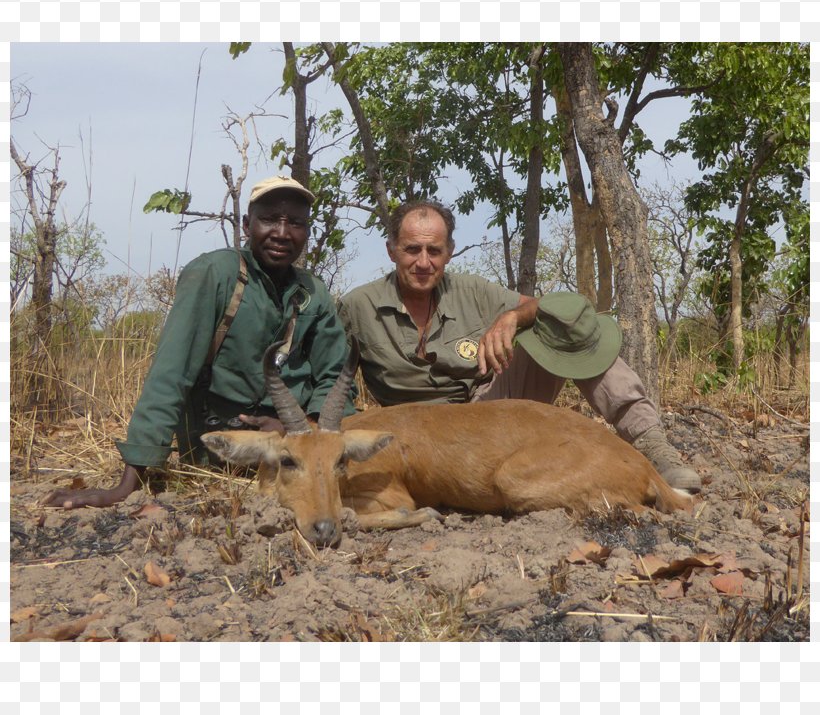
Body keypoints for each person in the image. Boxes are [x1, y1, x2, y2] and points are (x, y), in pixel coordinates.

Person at [338, 199, 701, 494]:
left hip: (486, 416)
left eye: (434, 250)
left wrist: (513, 318)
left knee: (565, 330)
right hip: (411, 439)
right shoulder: (357, 306)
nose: (423, 262)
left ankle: (653, 445)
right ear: (391, 251)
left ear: (449, 253)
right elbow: (334, 381)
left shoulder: (473, 291)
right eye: (411, 249)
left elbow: (559, 309)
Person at [44, 176, 355, 509]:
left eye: (295, 223)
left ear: (306, 232)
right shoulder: (214, 274)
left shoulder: (313, 292)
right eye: (269, 220)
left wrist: (302, 431)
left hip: (296, 449)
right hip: (220, 450)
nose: (282, 232)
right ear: (247, 225)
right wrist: (125, 486)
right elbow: (171, 373)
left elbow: (335, 379)